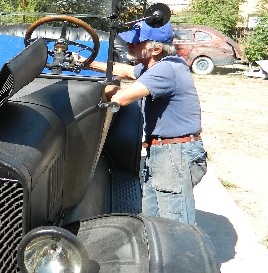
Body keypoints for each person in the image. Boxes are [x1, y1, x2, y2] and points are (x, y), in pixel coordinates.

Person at [78, 20, 207, 224]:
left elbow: (121, 98)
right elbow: (125, 70)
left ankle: (180, 257)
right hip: (164, 150)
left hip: (175, 154)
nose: (129, 45)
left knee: (174, 224)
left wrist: (91, 90)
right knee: (152, 220)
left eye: (137, 42)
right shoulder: (161, 64)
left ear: (155, 48)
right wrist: (86, 62)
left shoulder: (165, 70)